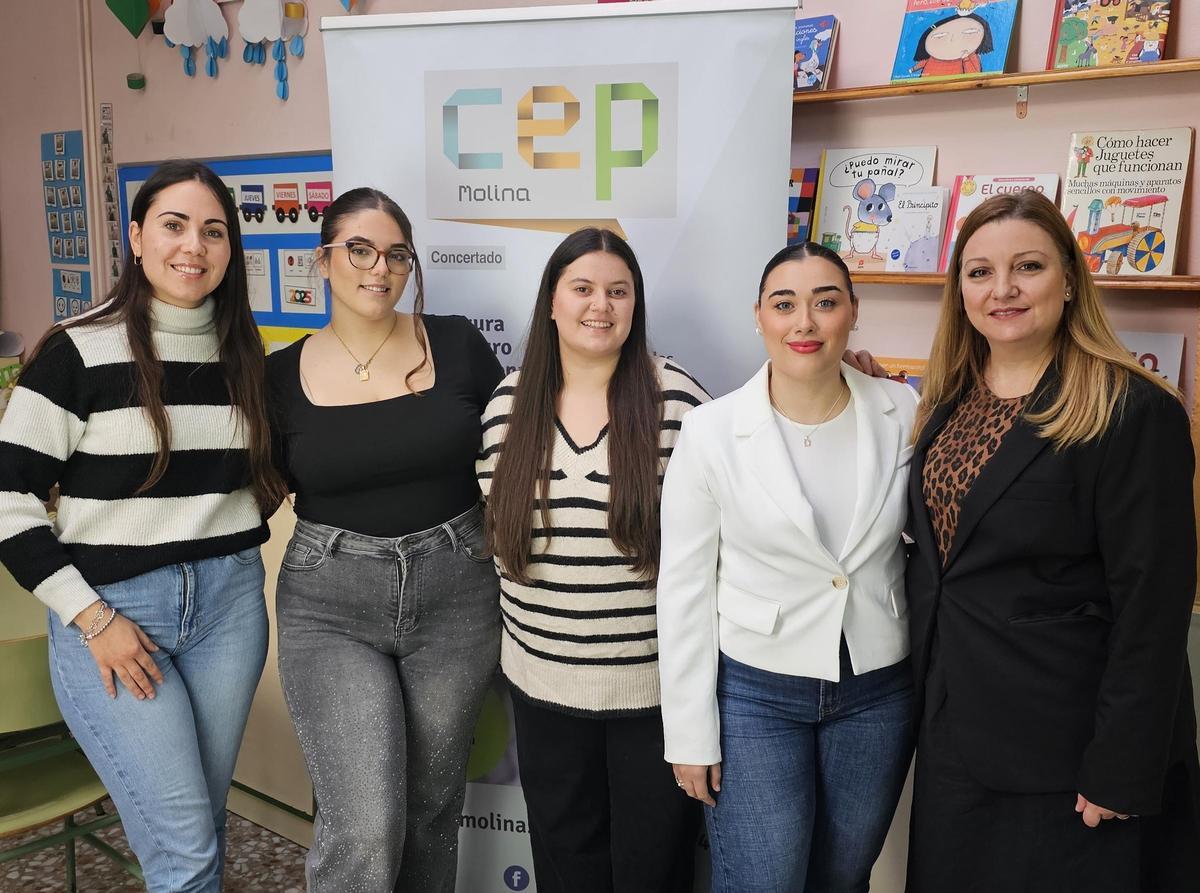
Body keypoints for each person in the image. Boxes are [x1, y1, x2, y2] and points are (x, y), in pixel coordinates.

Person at [904, 189, 1200, 892]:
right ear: (960, 291)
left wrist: (1122, 765)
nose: (1002, 289)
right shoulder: (948, 399)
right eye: (979, 272)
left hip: (1068, 752)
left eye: (1028, 267)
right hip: (954, 729)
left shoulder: (1131, 410)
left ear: (1069, 280)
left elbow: (1153, 609)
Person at [0, 159, 283, 892]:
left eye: (213, 231)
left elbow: (263, 475)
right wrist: (92, 618)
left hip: (229, 609)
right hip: (116, 615)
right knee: (186, 852)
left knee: (202, 829)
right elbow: (7, 497)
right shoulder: (77, 350)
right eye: (174, 225)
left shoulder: (244, 353)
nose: (194, 246)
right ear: (135, 236)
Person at [656, 242, 917, 892]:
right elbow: (684, 586)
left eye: (825, 302)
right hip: (756, 694)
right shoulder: (711, 430)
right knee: (761, 881)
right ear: (759, 316)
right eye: (784, 304)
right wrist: (689, 733)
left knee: (843, 877)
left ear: (852, 311)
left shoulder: (905, 412)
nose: (805, 322)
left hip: (876, 690)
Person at [266, 187, 503, 892]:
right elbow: (248, 485)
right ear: (324, 261)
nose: (381, 268)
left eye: (397, 254)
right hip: (330, 602)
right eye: (361, 250)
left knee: (432, 808)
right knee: (365, 824)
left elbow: (518, 445)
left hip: (457, 591)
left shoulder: (457, 343)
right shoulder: (278, 374)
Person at [476, 227, 707, 892]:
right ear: (552, 301)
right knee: (565, 866)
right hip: (542, 688)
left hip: (652, 696)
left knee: (652, 870)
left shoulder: (678, 401)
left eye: (618, 291)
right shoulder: (507, 404)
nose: (600, 305)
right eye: (582, 288)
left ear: (635, 305)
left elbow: (714, 545)